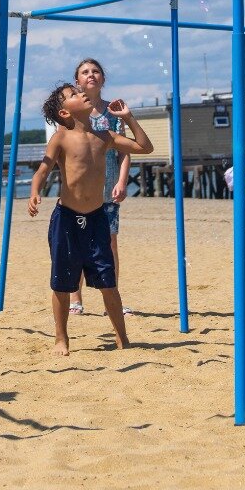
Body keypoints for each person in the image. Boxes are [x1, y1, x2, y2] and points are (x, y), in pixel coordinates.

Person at [29, 83, 151, 355]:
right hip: (67, 220)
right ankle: (61, 338)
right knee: (62, 282)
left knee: (108, 282)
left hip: (97, 217)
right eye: (73, 95)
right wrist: (35, 191)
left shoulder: (104, 136)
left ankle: (123, 338)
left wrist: (128, 118)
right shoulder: (60, 138)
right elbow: (43, 169)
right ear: (64, 112)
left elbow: (145, 147)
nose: (81, 93)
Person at [69, 58, 153, 316]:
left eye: (95, 71)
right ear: (77, 81)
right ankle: (75, 299)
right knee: (76, 245)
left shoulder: (113, 111)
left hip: (108, 188)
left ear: (103, 79)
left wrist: (122, 181)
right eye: (85, 72)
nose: (90, 75)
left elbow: (125, 151)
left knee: (110, 243)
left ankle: (111, 298)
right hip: (79, 190)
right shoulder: (71, 110)